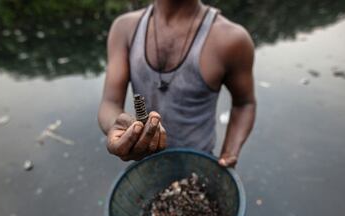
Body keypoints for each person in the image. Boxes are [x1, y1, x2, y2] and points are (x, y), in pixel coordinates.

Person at [98, 0, 256, 168]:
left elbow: (244, 103)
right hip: (145, 163)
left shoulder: (232, 39)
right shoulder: (124, 28)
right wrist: (119, 128)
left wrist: (229, 152)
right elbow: (110, 103)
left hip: (198, 162)